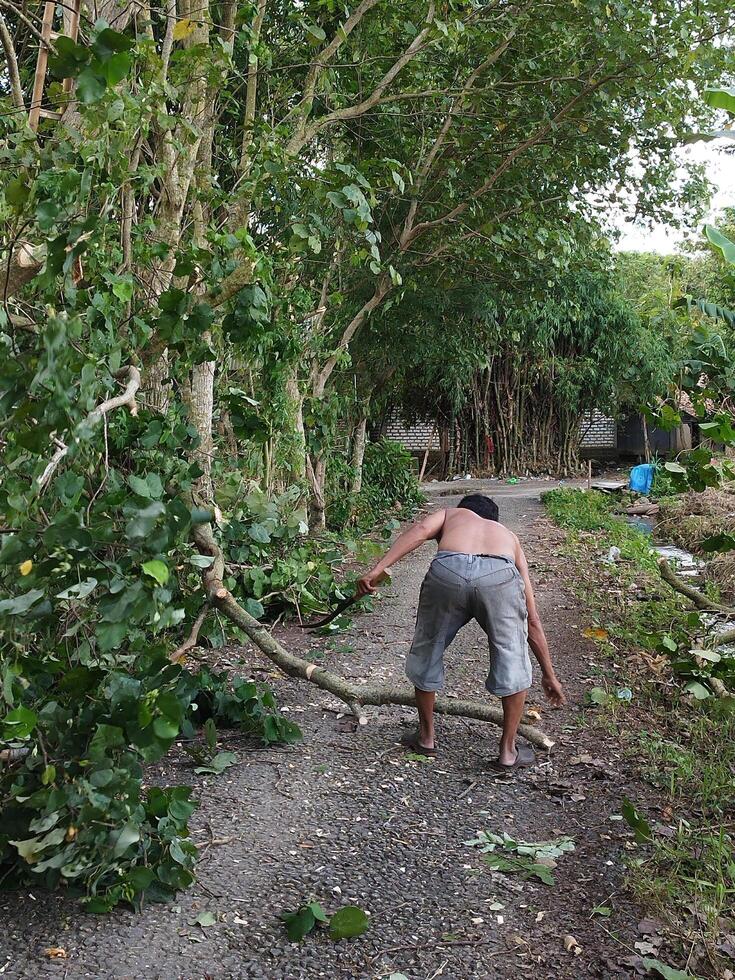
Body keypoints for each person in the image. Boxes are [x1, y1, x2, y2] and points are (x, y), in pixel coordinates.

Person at [356, 494, 565, 769]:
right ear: (494, 521)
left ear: (463, 510)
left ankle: (427, 738)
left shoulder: (451, 515)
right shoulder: (509, 537)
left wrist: (376, 570)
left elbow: (419, 531)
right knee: (512, 656)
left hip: (448, 570)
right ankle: (507, 752)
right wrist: (549, 675)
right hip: (499, 573)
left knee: (429, 647)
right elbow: (533, 619)